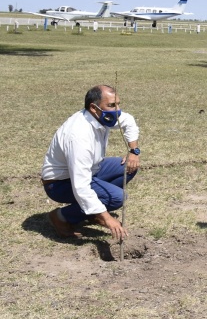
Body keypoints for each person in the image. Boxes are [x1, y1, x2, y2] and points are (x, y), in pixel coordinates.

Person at [41, 85, 141, 241]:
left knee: (128, 167)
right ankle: (60, 217)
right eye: (112, 105)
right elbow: (80, 185)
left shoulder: (101, 116)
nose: (117, 110)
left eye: (118, 104)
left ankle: (92, 211)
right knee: (117, 198)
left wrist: (133, 151)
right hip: (59, 183)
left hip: (92, 169)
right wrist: (107, 218)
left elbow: (128, 121)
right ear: (94, 108)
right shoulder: (79, 136)